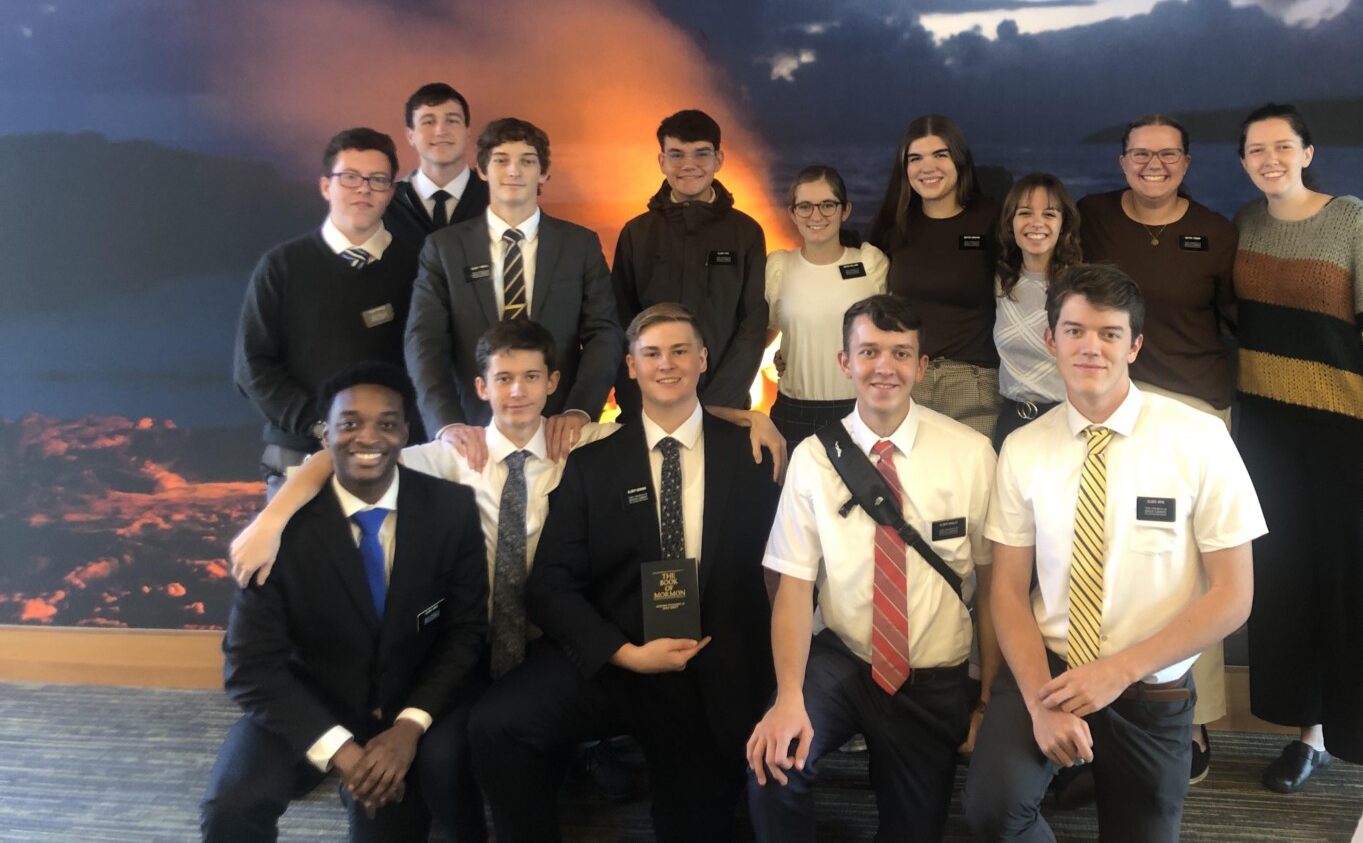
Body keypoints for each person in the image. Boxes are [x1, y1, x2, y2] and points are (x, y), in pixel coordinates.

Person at [230, 319, 600, 840]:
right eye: (504, 378)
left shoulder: (583, 444)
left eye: (531, 377)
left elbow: (663, 427)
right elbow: (342, 456)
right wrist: (269, 520)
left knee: (509, 745)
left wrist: (751, 420)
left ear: (553, 382)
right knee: (445, 759)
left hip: (547, 639)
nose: (517, 391)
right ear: (481, 386)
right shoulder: (448, 455)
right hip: (470, 643)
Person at [965, 264, 1265, 843]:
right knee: (992, 814)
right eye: (1074, 331)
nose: (1091, 347)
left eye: (1109, 334)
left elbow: (1235, 596)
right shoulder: (1023, 448)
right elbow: (1007, 590)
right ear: (1051, 340)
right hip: (1049, 669)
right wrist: (1040, 705)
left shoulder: (1199, 438)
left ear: (1135, 346)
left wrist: (1118, 672)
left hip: (1148, 680)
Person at [470, 303, 781, 843]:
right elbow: (549, 585)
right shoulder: (593, 463)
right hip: (617, 661)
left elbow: (783, 575)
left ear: (703, 359)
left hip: (711, 667)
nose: (667, 363)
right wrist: (623, 653)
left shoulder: (755, 455)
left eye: (680, 351)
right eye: (651, 353)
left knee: (694, 828)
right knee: (496, 724)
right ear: (631, 367)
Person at [201, 362, 488, 843]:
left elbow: (466, 632)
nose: (368, 437)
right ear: (326, 434)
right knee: (232, 806)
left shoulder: (451, 509)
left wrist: (408, 728)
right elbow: (249, 666)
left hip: (405, 703)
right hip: (308, 699)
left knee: (388, 826)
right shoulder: (279, 531)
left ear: (405, 433)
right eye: (350, 423)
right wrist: (340, 751)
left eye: (386, 423)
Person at [747, 293, 997, 842]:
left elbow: (996, 588)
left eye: (901, 353)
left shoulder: (971, 454)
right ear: (845, 362)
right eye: (869, 352)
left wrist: (987, 702)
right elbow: (793, 586)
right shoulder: (814, 458)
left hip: (932, 675)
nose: (884, 367)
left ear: (921, 366)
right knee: (774, 764)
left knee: (915, 831)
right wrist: (788, 698)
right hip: (844, 660)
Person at [1233, 103, 1363, 793]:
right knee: (1290, 589)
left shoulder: (1353, 222)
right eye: (1256, 150)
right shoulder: (1245, 225)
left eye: (1283, 146)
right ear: (1244, 161)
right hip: (1267, 438)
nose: (1270, 159)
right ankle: (1308, 737)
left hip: (1349, 439)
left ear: (1307, 153)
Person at [1076, 115, 1238, 781]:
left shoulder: (1216, 232)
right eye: (1141, 154)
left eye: (1167, 154)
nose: (1154, 164)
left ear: (1186, 163)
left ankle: (1193, 716)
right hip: (1113, 405)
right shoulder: (1090, 218)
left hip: (1197, 409)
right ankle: (1101, 703)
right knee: (1115, 557)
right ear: (1122, 161)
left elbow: (1236, 323)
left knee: (1195, 569)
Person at [406, 117, 624, 462]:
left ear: (543, 173)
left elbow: (604, 332)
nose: (513, 170)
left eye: (527, 160)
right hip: (473, 434)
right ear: (482, 170)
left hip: (559, 433)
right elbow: (424, 341)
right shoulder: (445, 248)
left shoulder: (579, 245)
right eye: (501, 160)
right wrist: (447, 422)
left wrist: (580, 410)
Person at [235, 127, 422, 498]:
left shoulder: (422, 264)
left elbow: (436, 360)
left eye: (377, 180)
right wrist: (321, 426)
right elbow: (252, 368)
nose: (363, 189)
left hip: (399, 460)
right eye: (350, 177)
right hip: (300, 459)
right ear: (325, 186)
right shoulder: (282, 266)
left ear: (390, 192)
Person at [611, 109, 768, 422]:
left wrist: (718, 406)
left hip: (724, 410)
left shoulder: (746, 232)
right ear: (662, 161)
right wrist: (639, 402)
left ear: (718, 159)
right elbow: (620, 323)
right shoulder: (637, 233)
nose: (689, 165)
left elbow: (752, 326)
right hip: (648, 410)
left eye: (701, 153)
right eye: (677, 154)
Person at [869, 114, 1004, 437]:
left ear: (960, 159)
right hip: (908, 379)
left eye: (940, 155)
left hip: (973, 384)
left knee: (972, 471)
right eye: (915, 158)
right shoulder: (896, 225)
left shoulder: (993, 219)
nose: (927, 167)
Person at [764, 165, 889, 445]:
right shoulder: (779, 267)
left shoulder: (870, 263)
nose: (816, 215)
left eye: (827, 205)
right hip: (794, 410)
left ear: (845, 210)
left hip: (860, 409)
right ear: (792, 213)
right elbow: (765, 332)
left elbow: (891, 336)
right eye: (805, 206)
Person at [992, 173, 1081, 451]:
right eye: (1025, 213)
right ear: (1011, 222)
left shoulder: (1081, 287)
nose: (1036, 222)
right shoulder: (1002, 282)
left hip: (1066, 423)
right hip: (1011, 422)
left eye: (1049, 214)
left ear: (1063, 223)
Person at [384, 82, 489, 255]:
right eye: (428, 122)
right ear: (410, 136)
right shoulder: (387, 203)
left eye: (452, 120)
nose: (440, 131)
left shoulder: (495, 197)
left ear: (467, 132)